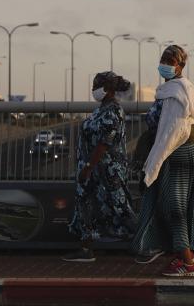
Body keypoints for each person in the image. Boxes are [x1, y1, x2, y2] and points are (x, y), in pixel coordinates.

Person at [132, 44, 194, 277]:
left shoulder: (175, 92)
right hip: (185, 147)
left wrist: (152, 166)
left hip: (179, 149)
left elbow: (171, 132)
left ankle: (188, 262)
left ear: (180, 66)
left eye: (170, 60)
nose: (165, 63)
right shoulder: (178, 88)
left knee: (175, 205)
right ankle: (180, 254)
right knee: (174, 203)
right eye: (163, 58)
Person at [63, 71, 137, 262]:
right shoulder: (99, 110)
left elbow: (104, 143)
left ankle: (144, 243)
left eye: (96, 87)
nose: (93, 90)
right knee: (84, 203)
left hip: (108, 170)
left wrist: (88, 166)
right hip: (90, 169)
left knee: (119, 206)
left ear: (107, 89)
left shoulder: (114, 111)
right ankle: (86, 248)